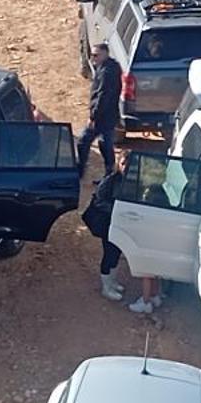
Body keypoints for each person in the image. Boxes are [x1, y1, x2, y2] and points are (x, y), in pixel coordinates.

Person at [81, 148, 128, 301]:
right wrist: (116, 209)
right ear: (118, 163)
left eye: (128, 163)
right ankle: (106, 287)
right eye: (123, 163)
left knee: (116, 252)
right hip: (107, 223)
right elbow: (99, 201)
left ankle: (112, 282)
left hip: (120, 223)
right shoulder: (110, 180)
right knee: (109, 253)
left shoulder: (129, 181)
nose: (126, 166)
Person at [78, 42, 123, 180]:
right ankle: (109, 174)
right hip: (108, 115)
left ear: (105, 54)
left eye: (96, 55)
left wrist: (93, 116)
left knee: (85, 141)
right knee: (105, 144)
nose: (93, 58)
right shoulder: (109, 68)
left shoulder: (107, 72)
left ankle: (80, 171)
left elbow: (103, 96)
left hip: (103, 116)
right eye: (92, 55)